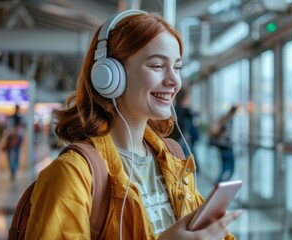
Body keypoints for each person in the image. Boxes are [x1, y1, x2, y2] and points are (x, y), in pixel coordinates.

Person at [25, 10, 241, 239]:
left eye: (177, 67)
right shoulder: (72, 173)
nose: (174, 81)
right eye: (157, 66)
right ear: (110, 76)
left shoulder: (171, 160)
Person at [169, 87, 200, 164]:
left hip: (177, 142)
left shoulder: (174, 110)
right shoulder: (186, 112)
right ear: (185, 97)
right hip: (183, 142)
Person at [209, 105, 238, 182]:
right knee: (229, 168)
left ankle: (219, 183)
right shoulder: (229, 120)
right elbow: (226, 134)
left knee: (224, 167)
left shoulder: (224, 118)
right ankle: (220, 184)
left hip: (222, 146)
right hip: (227, 146)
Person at [4, 104, 25, 180]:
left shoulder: (20, 118)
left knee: (14, 155)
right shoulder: (14, 118)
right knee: (13, 155)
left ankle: (14, 170)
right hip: (13, 139)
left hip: (17, 139)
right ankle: (14, 169)